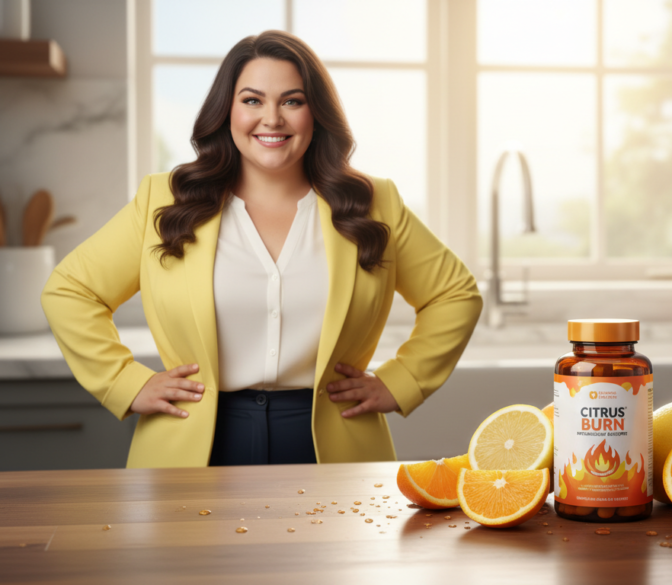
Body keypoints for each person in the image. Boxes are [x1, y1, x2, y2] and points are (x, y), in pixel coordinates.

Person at [40, 30, 482, 468]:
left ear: (316, 112)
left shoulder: (374, 203)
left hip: (333, 447)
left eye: (292, 101)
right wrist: (125, 382)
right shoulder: (163, 200)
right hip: (192, 444)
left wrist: (400, 381)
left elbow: (455, 295)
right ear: (227, 111)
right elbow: (70, 291)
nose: (272, 119)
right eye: (252, 100)